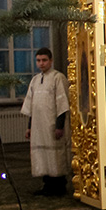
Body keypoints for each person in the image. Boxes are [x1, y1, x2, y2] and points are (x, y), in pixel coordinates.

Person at [21, 48, 70, 196]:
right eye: (38, 60)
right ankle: (47, 185)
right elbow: (32, 105)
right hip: (38, 126)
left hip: (52, 124)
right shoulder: (35, 80)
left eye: (44, 60)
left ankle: (59, 186)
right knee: (42, 155)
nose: (41, 63)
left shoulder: (58, 78)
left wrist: (59, 126)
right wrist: (29, 127)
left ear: (51, 61)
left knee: (55, 155)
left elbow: (62, 103)